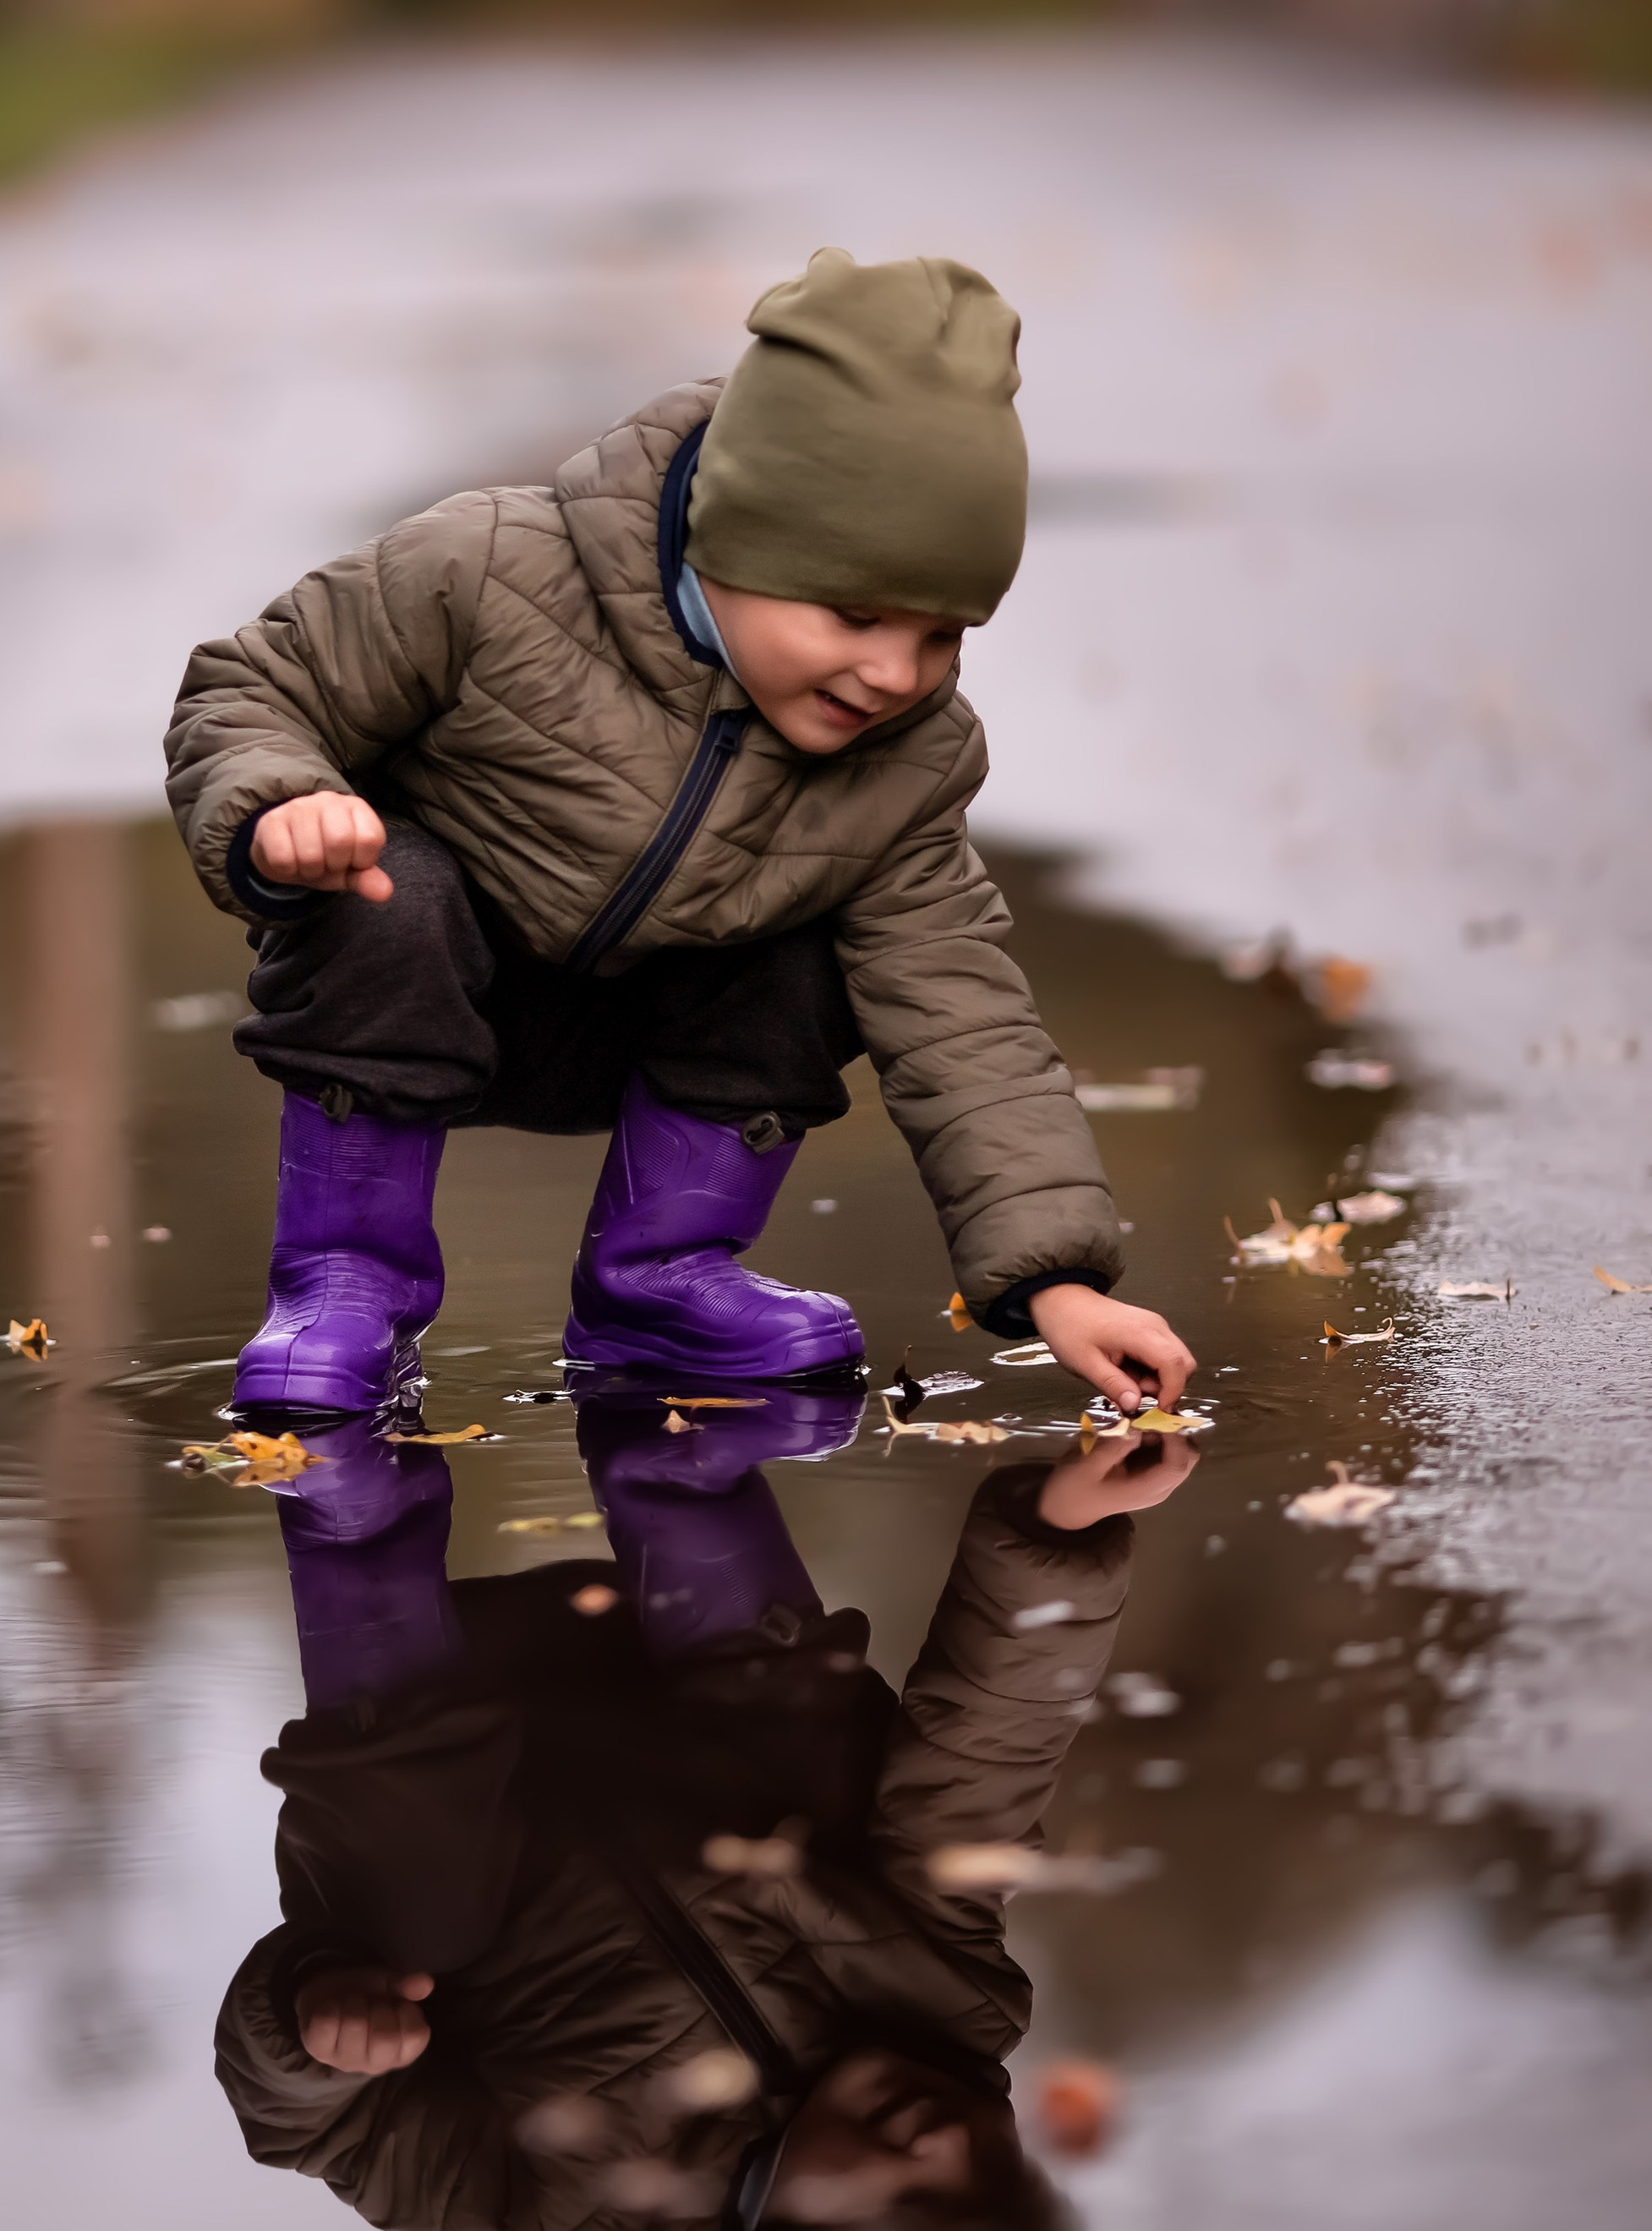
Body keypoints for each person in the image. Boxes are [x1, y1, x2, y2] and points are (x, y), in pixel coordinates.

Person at [166, 248, 1195, 1419]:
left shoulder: (906, 764)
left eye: (941, 636)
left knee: (825, 944)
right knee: (385, 881)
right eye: (854, 613)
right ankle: (343, 1290)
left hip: (656, 1042)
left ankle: (658, 1280)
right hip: (425, 997)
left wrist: (1056, 1278)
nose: (893, 672)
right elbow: (252, 688)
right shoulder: (483, 571)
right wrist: (278, 805)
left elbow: (965, 1015)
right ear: (732, 538)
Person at [216, 1393, 1199, 2231]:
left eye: (899, 2206)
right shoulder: (943, 1997)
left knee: (414, 1933)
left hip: (419, 1737)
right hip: (680, 1666)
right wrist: (1057, 1543)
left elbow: (316, 2131)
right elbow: (986, 1756)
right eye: (993, 2175)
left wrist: (315, 2035)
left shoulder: (558, 2229)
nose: (940, 2144)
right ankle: (667, 1409)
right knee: (858, 1789)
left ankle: (346, 1481)